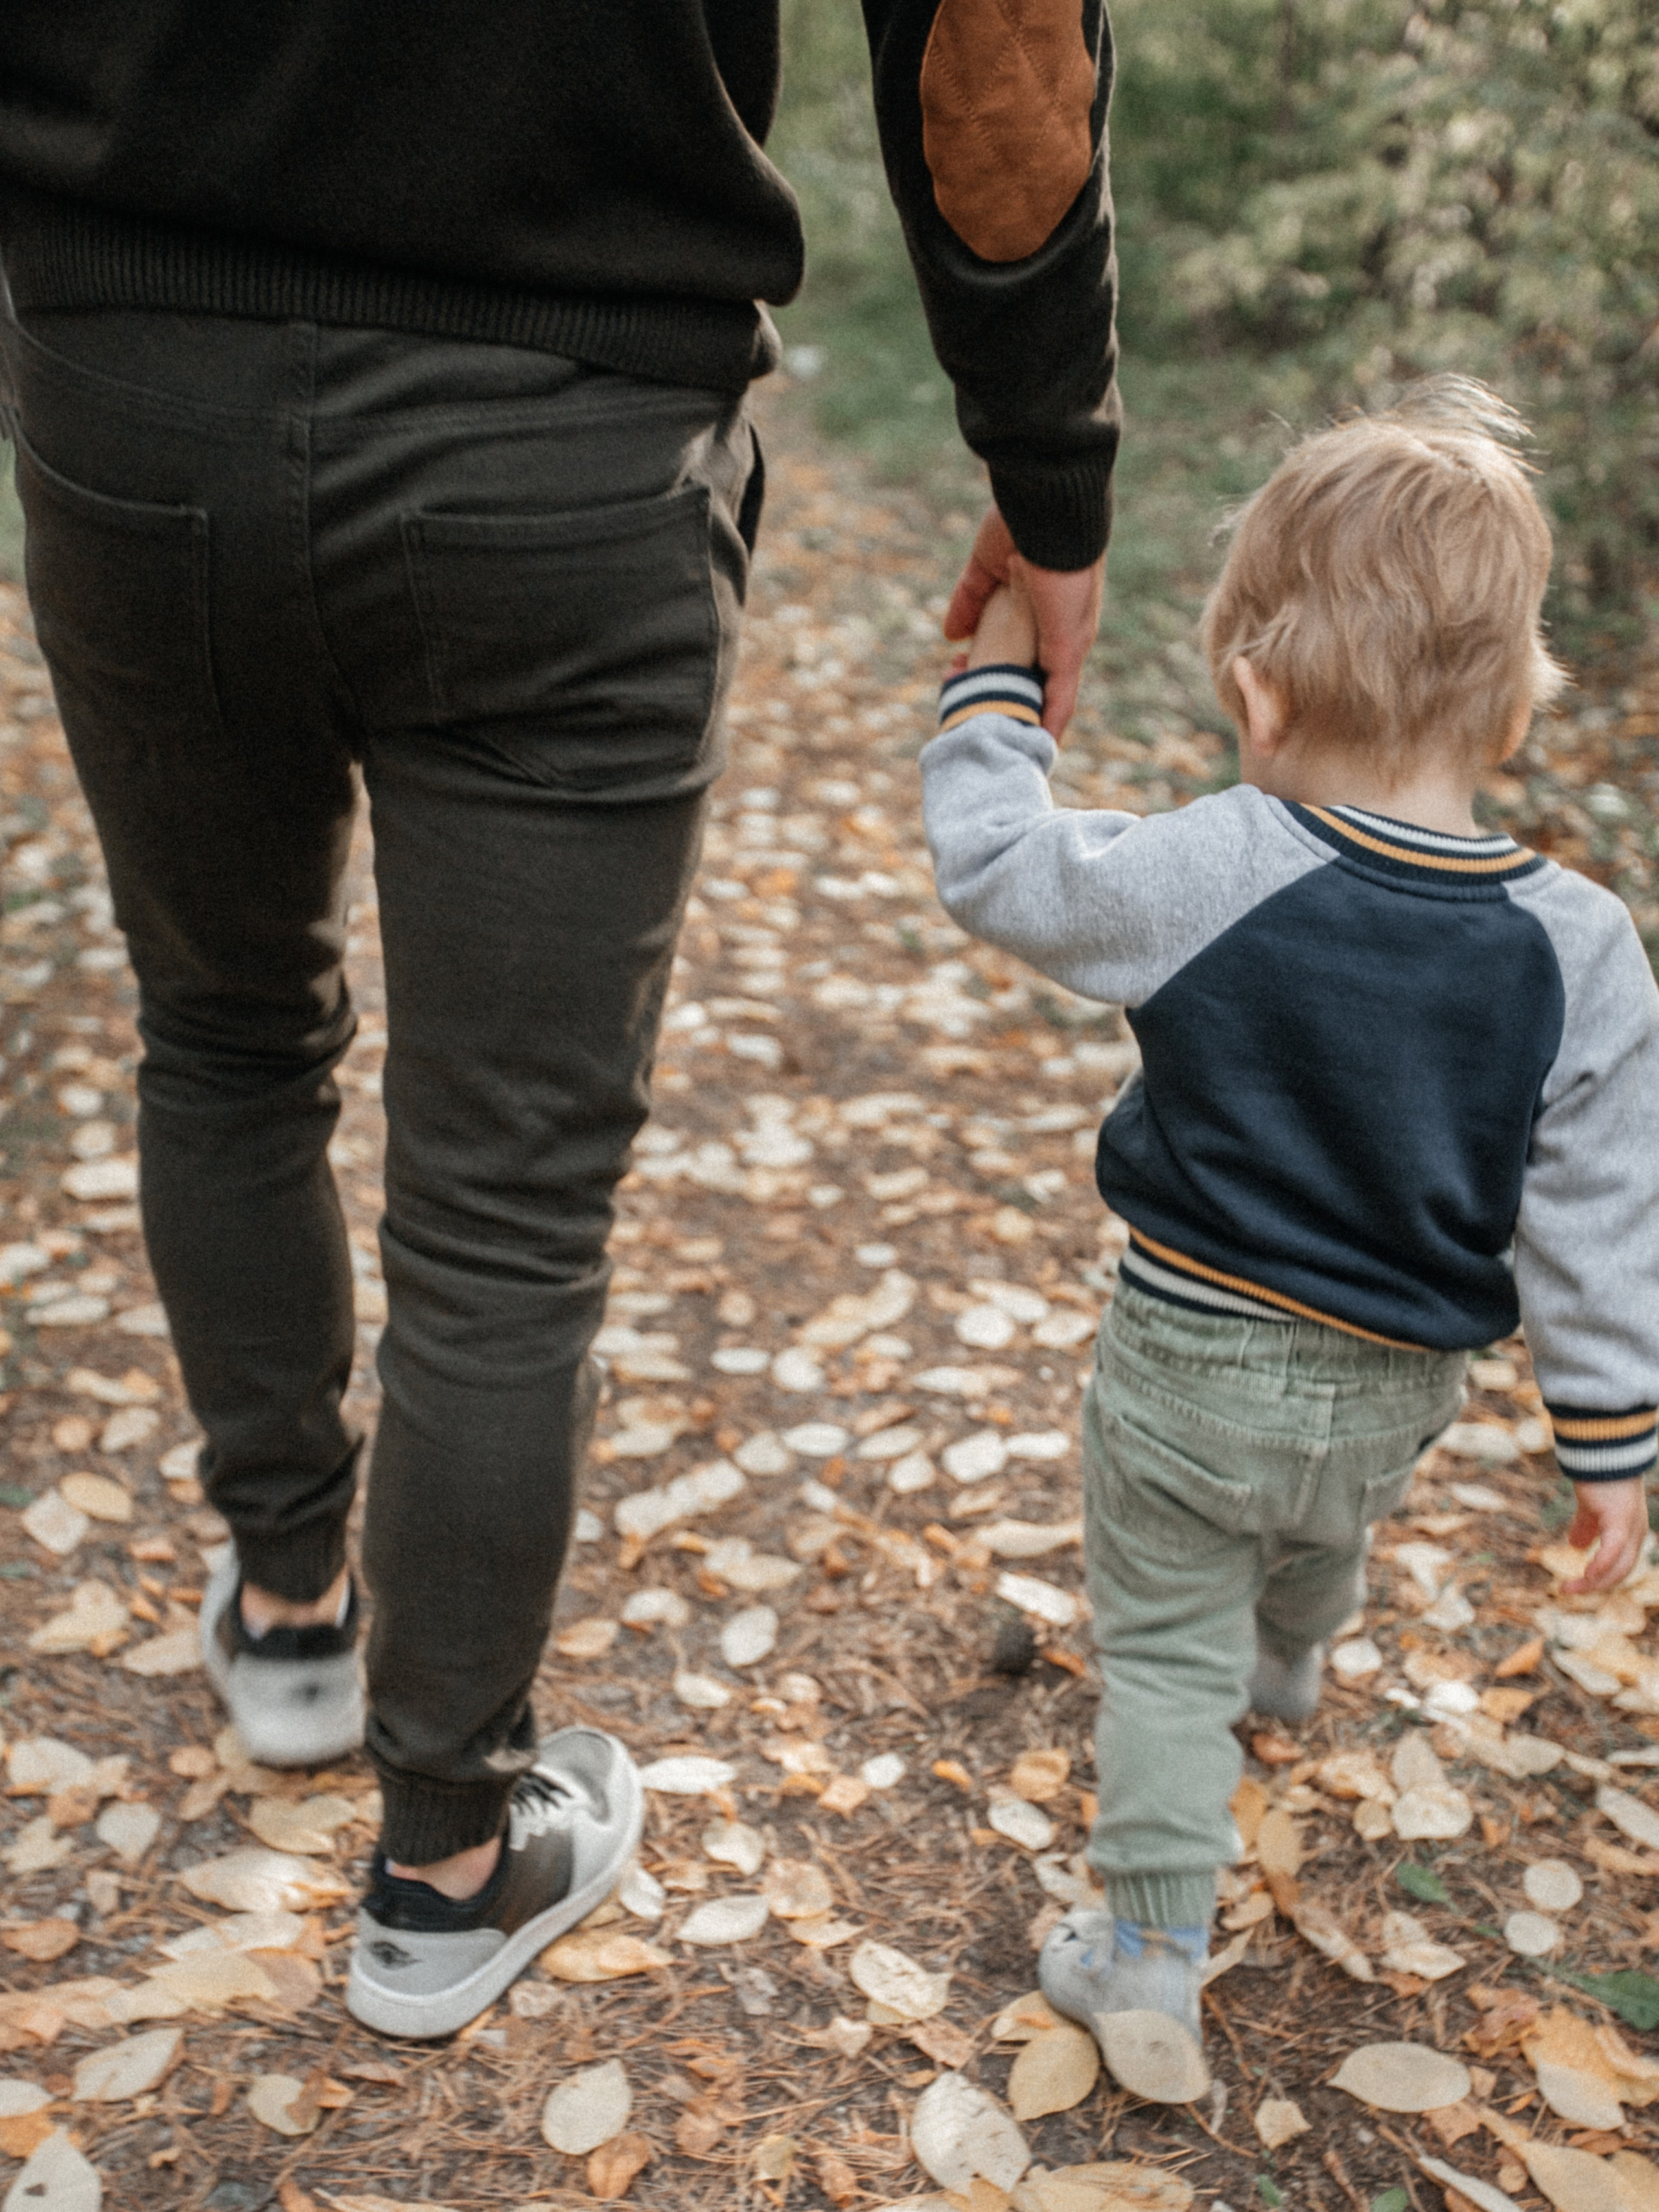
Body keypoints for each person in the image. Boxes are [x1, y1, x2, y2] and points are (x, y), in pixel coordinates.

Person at [0, 0, 1119, 2038]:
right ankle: (443, 1860)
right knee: (503, 1214)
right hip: (572, 431)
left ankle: (292, 1612)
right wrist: (1050, 454)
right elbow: (994, 32)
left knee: (228, 1034)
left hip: (134, 374)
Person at [921, 378, 1659, 2104]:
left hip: (1183, 1374)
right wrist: (1613, 1437)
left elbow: (1001, 871)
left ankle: (1150, 1953)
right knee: (1318, 1512)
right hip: (1403, 1393)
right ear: (1515, 706)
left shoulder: (1217, 863)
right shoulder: (1582, 946)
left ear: (1253, 690)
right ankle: (1298, 1661)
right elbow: (1602, 1207)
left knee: (1162, 1644)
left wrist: (990, 698)